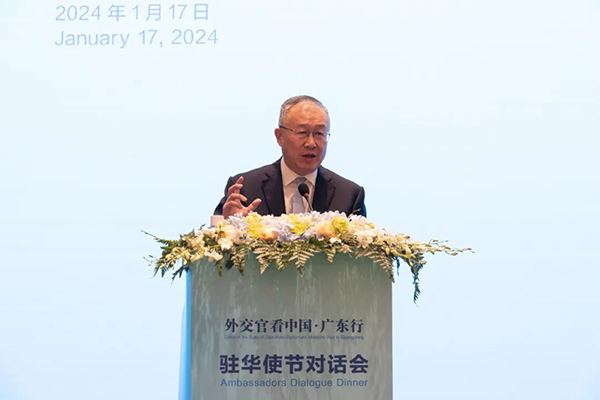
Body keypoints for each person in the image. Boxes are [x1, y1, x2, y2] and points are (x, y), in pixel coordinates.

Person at [214, 95, 366, 218]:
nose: (311, 143)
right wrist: (230, 225)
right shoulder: (245, 189)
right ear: (279, 136)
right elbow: (215, 242)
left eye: (319, 133)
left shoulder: (349, 195)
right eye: (302, 133)